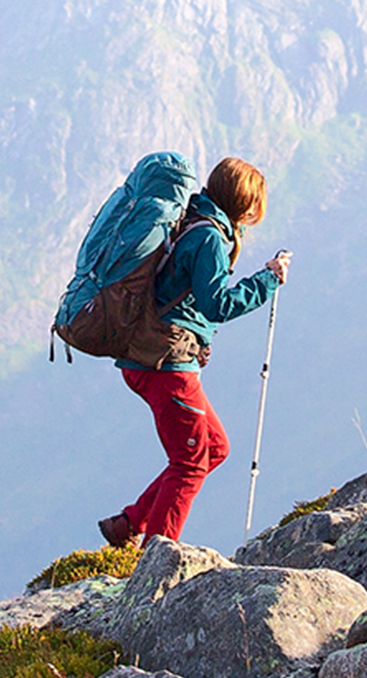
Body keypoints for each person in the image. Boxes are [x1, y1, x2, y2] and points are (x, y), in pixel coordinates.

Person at [99, 157, 290, 548]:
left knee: (214, 447)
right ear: (244, 204)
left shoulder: (193, 220)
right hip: (165, 366)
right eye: (255, 206)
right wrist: (267, 280)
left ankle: (129, 524)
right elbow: (216, 303)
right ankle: (155, 565)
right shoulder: (210, 238)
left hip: (150, 359)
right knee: (189, 462)